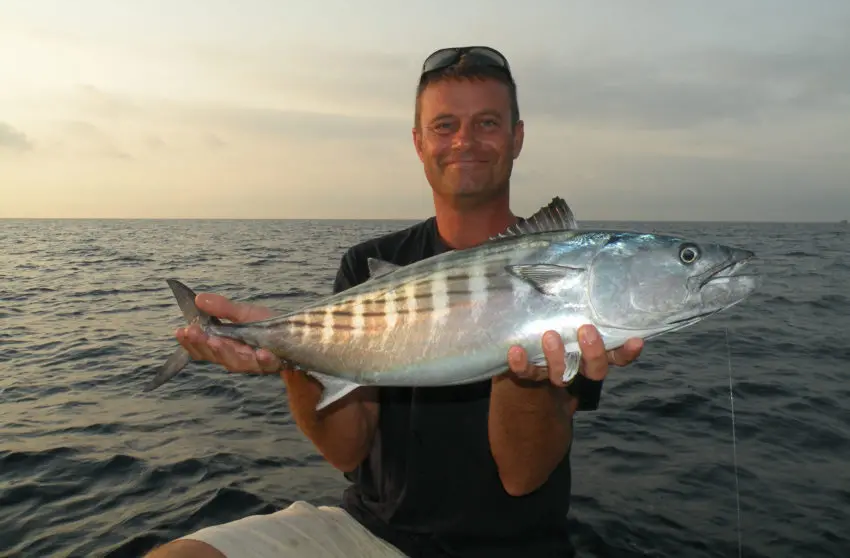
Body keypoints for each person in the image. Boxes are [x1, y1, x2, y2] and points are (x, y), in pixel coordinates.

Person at [145, 46, 644, 558]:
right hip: (369, 534)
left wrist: (529, 378)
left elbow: (522, 478)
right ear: (418, 142)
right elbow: (346, 448)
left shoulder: (576, 289)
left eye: (487, 123)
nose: (464, 141)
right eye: (444, 125)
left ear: (517, 138)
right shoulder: (370, 262)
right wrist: (290, 361)